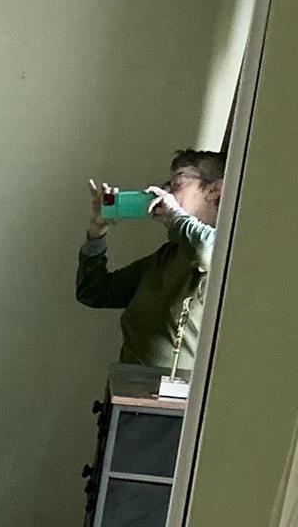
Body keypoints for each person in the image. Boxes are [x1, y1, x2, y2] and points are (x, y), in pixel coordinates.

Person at [77, 149, 223, 376]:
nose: (165, 192)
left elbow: (209, 250)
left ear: (214, 190)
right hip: (126, 397)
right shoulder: (167, 256)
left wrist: (174, 214)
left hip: (174, 406)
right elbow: (93, 291)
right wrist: (97, 231)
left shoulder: (225, 247)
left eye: (177, 183)